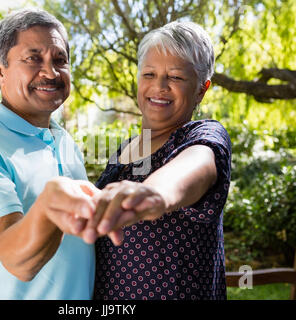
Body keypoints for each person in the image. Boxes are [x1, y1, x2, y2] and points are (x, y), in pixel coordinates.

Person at [0, 9, 99, 299]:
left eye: (60, 60)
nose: (51, 72)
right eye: (33, 58)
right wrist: (55, 202)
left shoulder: (63, 138)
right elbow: (18, 261)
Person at [82, 21, 232, 300]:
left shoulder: (204, 136)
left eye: (175, 77)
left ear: (202, 88)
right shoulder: (126, 149)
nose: (159, 86)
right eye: (149, 73)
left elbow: (191, 168)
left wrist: (150, 193)